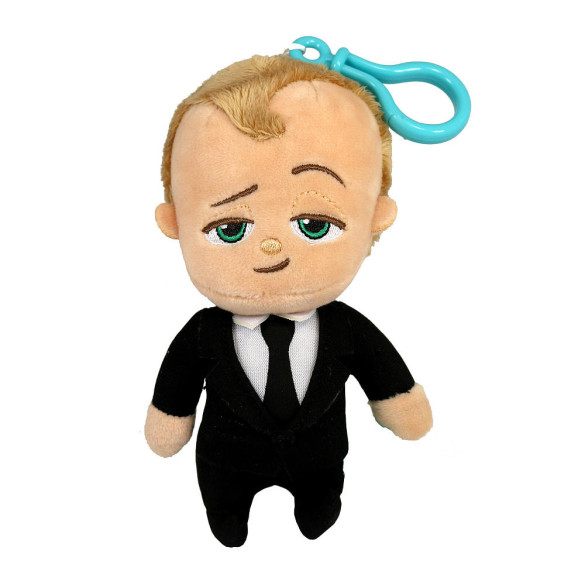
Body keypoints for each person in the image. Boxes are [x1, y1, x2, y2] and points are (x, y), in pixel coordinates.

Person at [144, 54, 433, 547]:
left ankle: (317, 506)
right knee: (225, 511)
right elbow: (177, 384)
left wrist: (401, 403)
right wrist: (168, 420)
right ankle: (228, 514)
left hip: (319, 458)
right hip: (226, 460)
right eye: (230, 229)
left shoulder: (346, 329)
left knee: (321, 507)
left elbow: (382, 372)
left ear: (375, 215)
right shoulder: (204, 333)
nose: (272, 248)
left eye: (314, 225)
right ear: (175, 222)